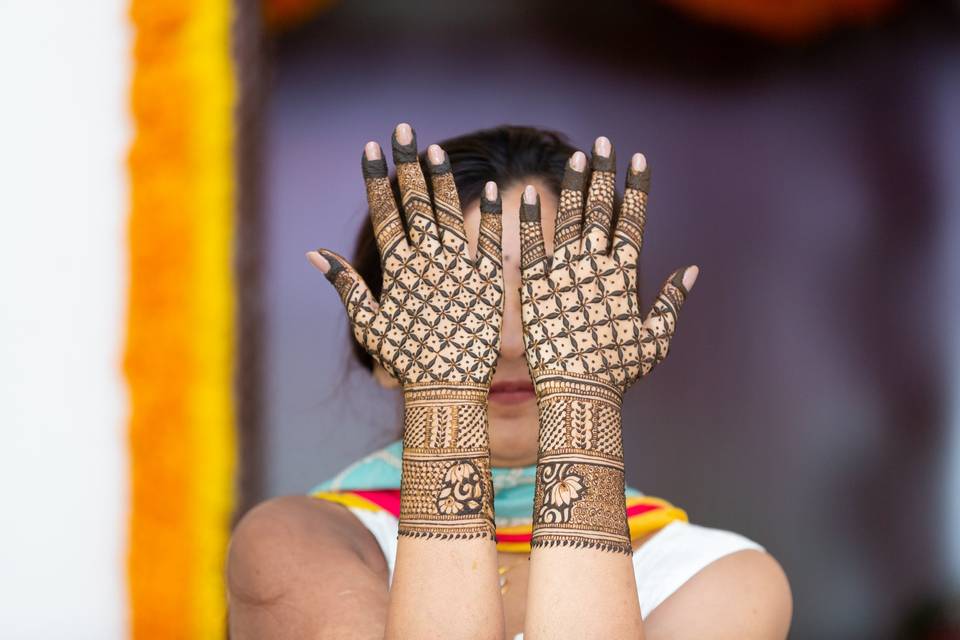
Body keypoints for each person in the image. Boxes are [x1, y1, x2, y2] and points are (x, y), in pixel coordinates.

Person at [227, 123, 793, 639]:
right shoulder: (293, 547)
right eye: (462, 301)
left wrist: (583, 398)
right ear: (379, 347)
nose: (510, 342)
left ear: (619, 328)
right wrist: (444, 398)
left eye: (550, 297)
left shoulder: (720, 577)